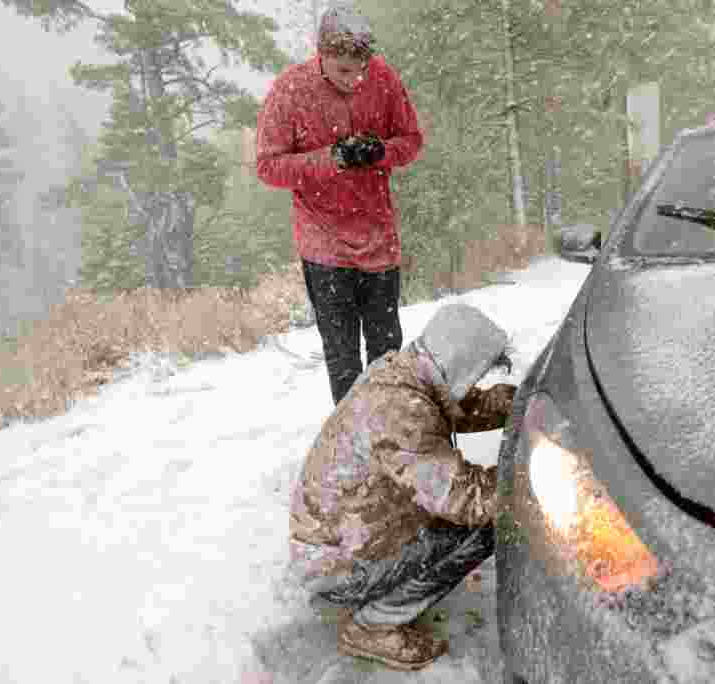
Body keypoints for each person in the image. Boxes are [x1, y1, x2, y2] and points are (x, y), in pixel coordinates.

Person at [288, 303, 517, 670]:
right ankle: (373, 626)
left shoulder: (406, 372)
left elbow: (451, 405)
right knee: (484, 525)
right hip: (337, 565)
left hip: (338, 536)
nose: (475, 384)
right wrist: (524, 476)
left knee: (467, 513)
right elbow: (465, 499)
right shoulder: (402, 411)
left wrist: (509, 404)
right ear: (458, 363)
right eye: (476, 376)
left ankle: (380, 599)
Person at [256, 2, 424, 405]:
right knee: (343, 356)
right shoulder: (290, 90)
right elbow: (267, 166)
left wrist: (379, 151)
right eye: (345, 71)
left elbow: (412, 141)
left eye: (362, 69)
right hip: (324, 244)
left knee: (387, 353)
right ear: (322, 55)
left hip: (378, 239)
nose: (357, 79)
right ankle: (356, 447)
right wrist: (329, 158)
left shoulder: (383, 79)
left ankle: (395, 434)